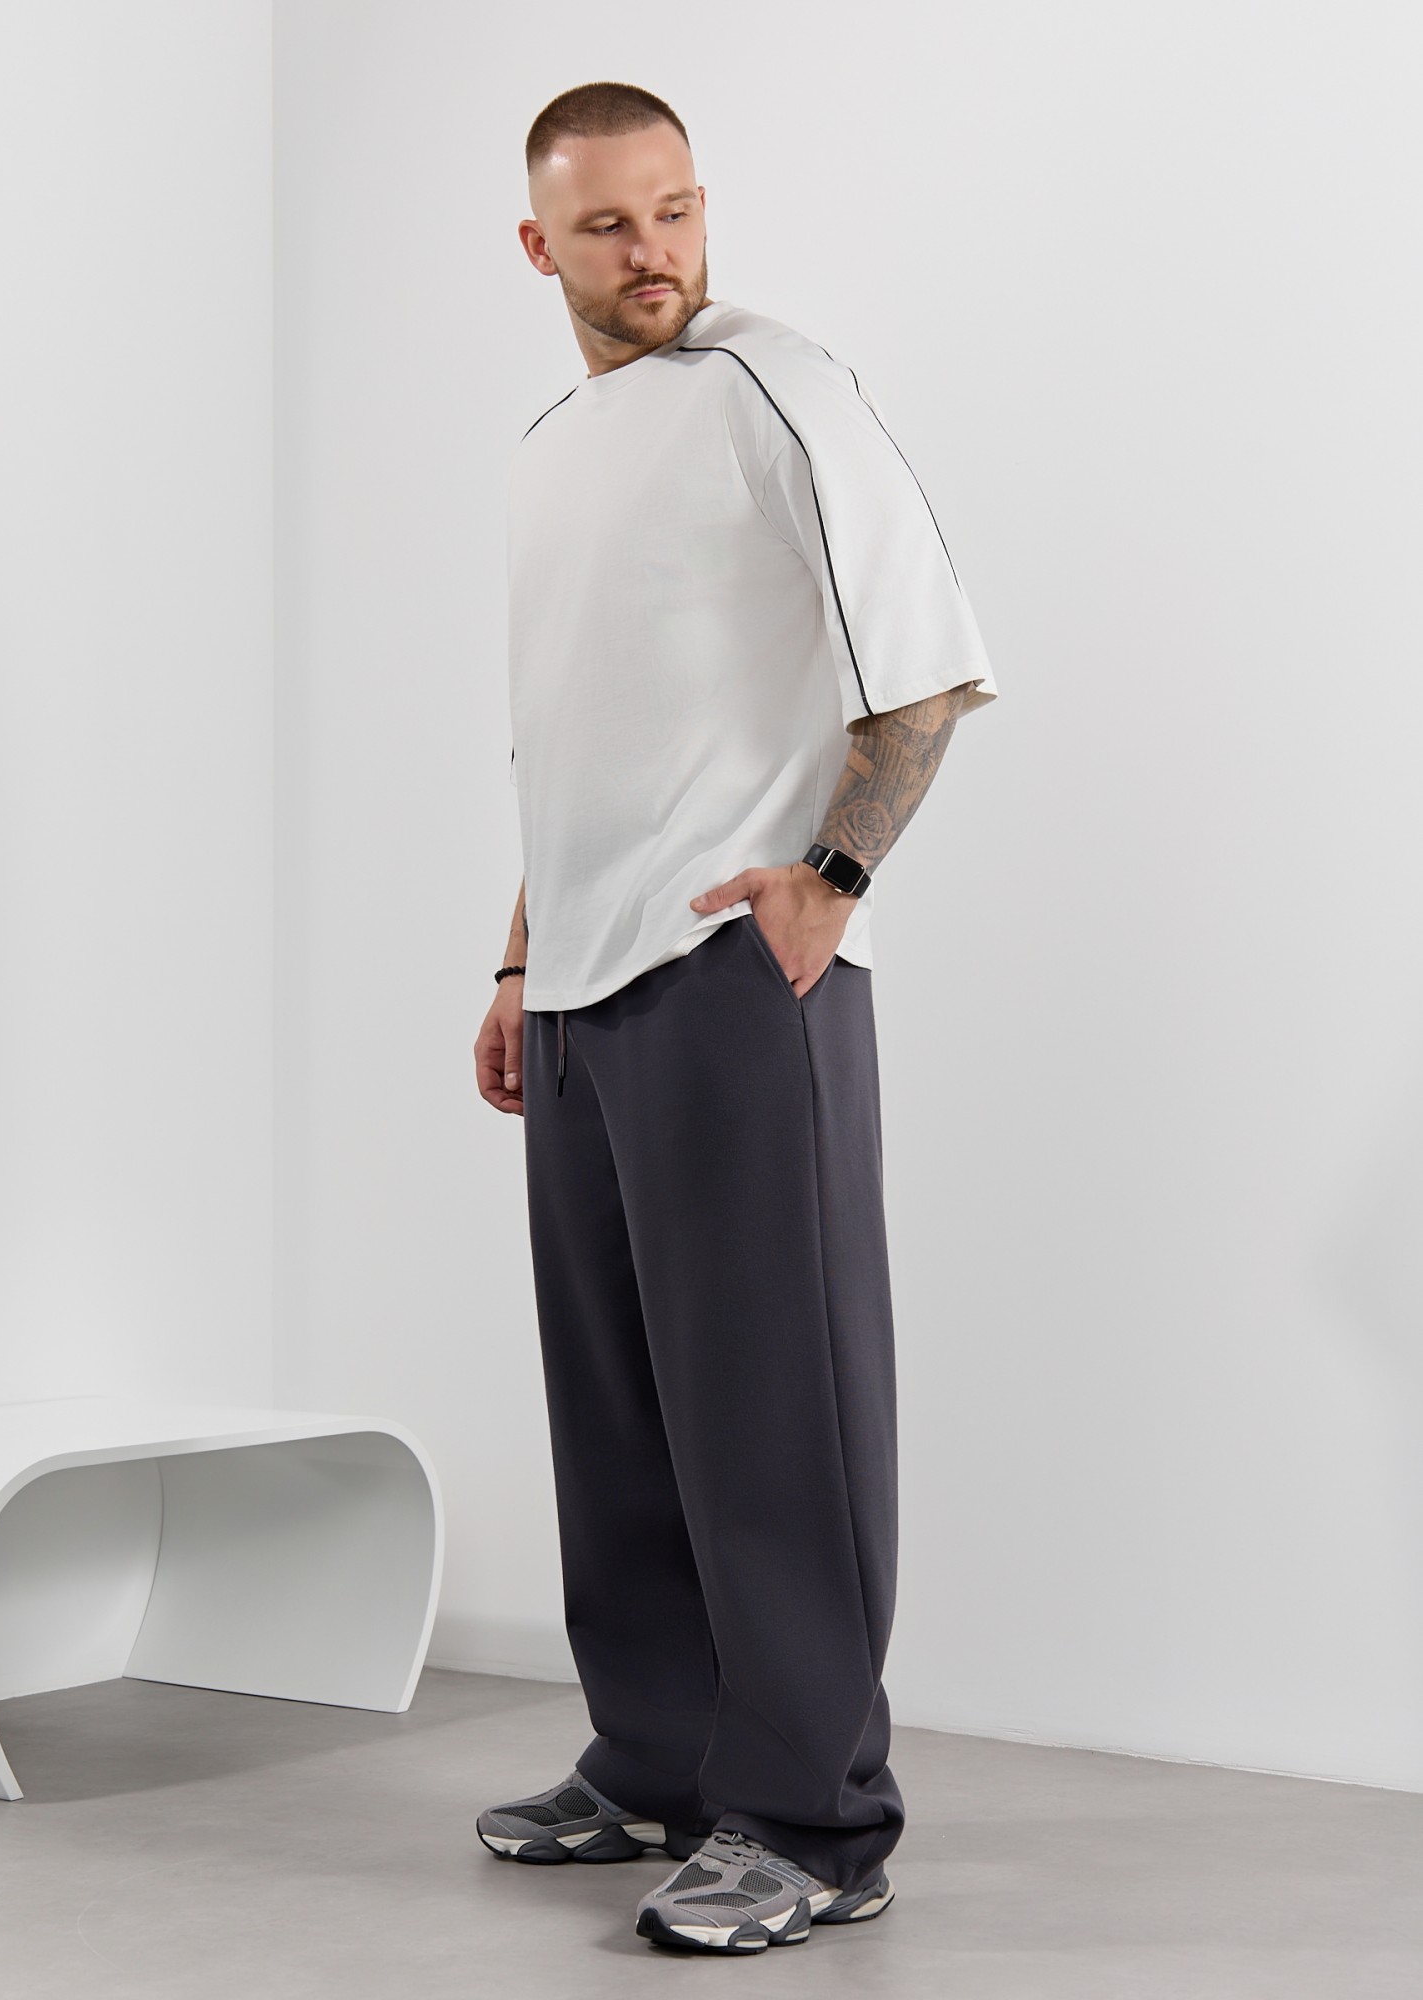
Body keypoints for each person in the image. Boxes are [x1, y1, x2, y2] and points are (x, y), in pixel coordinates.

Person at [472, 79, 998, 1957]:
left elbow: (926, 661)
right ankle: (659, 1761)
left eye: (678, 209)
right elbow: (576, 737)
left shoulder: (778, 383)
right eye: (610, 225)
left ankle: (812, 1817)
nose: (657, 253)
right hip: (585, 986)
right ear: (540, 245)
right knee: (618, 1411)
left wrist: (832, 878)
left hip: (729, 973)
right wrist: (521, 961)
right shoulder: (550, 449)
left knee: (777, 1414)